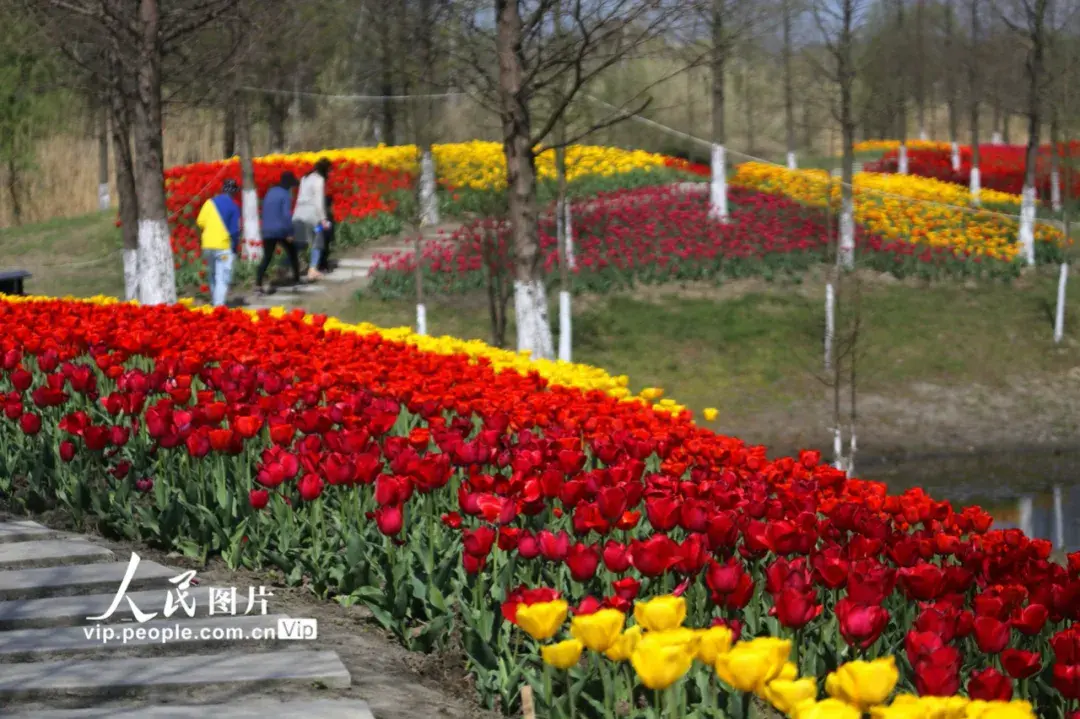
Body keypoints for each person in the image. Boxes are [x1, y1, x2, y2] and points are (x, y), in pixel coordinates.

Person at [196, 178, 241, 307]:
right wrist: (235, 248)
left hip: (208, 245)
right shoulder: (234, 207)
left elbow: (200, 222)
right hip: (224, 246)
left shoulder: (209, 203)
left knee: (213, 274)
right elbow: (234, 231)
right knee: (223, 277)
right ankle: (219, 306)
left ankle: (215, 301)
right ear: (234, 193)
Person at [257, 171, 301, 293]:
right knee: (292, 252)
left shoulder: (270, 192)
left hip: (266, 230)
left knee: (267, 257)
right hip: (281, 230)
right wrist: (290, 232)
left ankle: (258, 283)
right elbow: (286, 215)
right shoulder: (285, 195)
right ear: (289, 185)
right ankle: (296, 280)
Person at [293, 157, 332, 280]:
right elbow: (318, 202)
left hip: (298, 214)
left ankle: (285, 266)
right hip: (312, 216)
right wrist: (323, 219)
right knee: (318, 241)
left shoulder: (305, 178)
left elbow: (299, 197)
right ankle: (313, 269)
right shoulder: (319, 180)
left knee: (299, 243)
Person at [317, 192, 335, 273]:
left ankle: (322, 266)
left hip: (321, 235)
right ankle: (323, 266)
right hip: (324, 236)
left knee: (322, 251)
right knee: (324, 251)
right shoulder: (328, 214)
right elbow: (329, 226)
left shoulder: (322, 213)